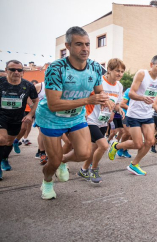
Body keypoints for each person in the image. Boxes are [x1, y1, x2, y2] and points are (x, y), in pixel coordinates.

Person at [36, 26, 111, 199]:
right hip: (51, 117)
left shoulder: (95, 67)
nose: (84, 49)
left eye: (87, 44)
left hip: (76, 116)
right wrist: (87, 101)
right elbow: (54, 104)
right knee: (52, 162)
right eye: (79, 44)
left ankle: (62, 161)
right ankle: (47, 181)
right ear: (68, 46)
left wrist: (106, 99)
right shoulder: (56, 69)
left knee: (85, 153)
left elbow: (99, 90)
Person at [107, 55, 157, 176]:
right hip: (134, 114)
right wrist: (143, 98)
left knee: (150, 141)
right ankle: (116, 146)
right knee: (137, 144)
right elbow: (132, 93)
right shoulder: (142, 74)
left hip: (148, 115)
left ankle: (134, 164)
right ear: (151, 65)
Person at [77, 58, 125, 184]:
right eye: (117, 70)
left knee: (93, 148)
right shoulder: (99, 82)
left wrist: (118, 110)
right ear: (109, 70)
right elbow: (87, 97)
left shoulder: (119, 86)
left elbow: (116, 103)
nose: (119, 74)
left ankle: (83, 169)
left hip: (103, 121)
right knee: (103, 145)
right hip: (91, 119)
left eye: (122, 71)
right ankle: (94, 169)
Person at [0, 60, 39, 180]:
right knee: (2, 139)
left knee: (9, 142)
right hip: (1, 116)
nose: (16, 72)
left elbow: (35, 100)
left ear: (23, 72)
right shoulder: (1, 82)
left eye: (19, 70)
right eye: (12, 69)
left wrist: (30, 114)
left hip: (17, 118)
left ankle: (4, 158)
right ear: (6, 70)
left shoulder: (28, 85)